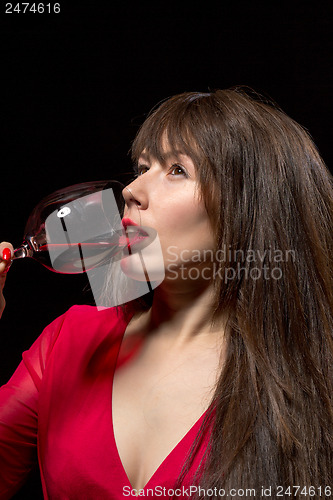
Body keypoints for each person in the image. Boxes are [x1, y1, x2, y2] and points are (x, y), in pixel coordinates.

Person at [0, 87, 332, 499]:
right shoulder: (69, 342)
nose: (131, 190)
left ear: (251, 209)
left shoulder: (310, 384)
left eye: (177, 170)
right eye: (142, 166)